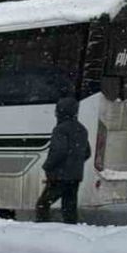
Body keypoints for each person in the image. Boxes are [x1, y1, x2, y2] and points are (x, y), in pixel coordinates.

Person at [35, 96, 92, 224]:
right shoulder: (82, 129)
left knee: (42, 204)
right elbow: (87, 152)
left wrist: (47, 166)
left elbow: (58, 151)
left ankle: (41, 231)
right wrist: (75, 162)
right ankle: (70, 232)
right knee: (69, 208)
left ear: (61, 111)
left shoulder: (60, 129)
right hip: (75, 176)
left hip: (60, 176)